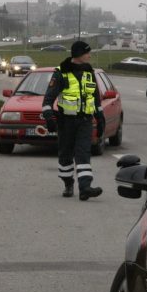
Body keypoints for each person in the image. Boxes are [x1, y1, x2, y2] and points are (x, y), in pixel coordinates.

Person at [41, 40, 105, 200]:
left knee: (83, 153)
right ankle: (68, 183)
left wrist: (100, 116)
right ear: (79, 54)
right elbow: (48, 99)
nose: (90, 55)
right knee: (66, 155)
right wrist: (49, 117)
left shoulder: (89, 72)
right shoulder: (61, 73)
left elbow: (95, 97)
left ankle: (85, 188)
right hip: (66, 122)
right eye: (87, 53)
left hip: (85, 121)